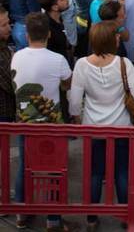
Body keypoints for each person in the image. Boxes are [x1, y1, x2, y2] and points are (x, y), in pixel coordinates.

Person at [69, 21, 134, 230]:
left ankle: (92, 218)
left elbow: (75, 103)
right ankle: (126, 217)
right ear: (111, 39)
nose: (119, 38)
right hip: (121, 128)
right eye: (116, 35)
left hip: (93, 128)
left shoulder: (81, 65)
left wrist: (77, 118)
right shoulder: (124, 64)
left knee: (94, 173)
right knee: (122, 173)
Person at [12, 12, 72, 231]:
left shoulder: (16, 56)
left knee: (24, 167)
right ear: (48, 33)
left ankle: (21, 213)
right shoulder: (58, 59)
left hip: (25, 121)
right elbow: (67, 84)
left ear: (27, 35)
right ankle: (53, 218)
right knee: (55, 169)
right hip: (52, 123)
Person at [0, 7, 13, 123]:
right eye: (4, 25)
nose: (9, 28)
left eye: (8, 23)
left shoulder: (4, 48)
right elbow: (11, 84)